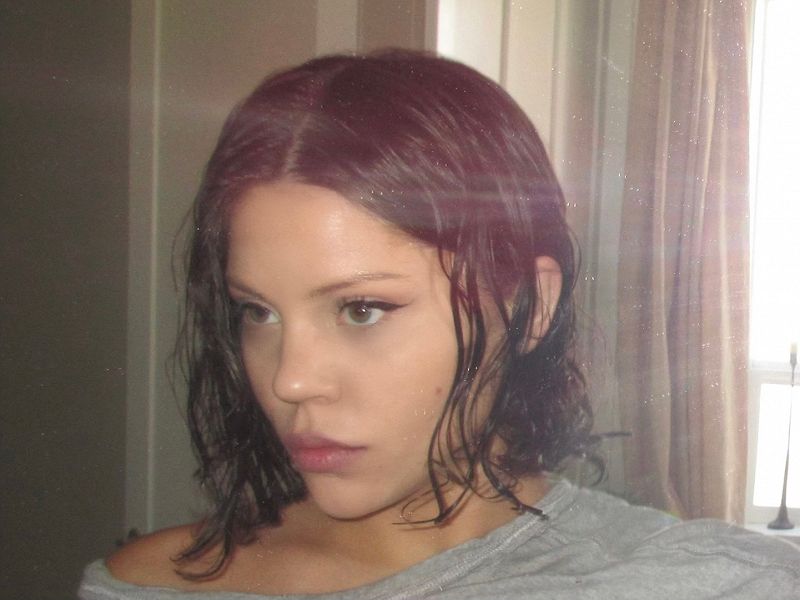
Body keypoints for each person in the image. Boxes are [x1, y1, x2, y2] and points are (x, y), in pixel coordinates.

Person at [79, 50, 799, 599]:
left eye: (362, 309)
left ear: (531, 305)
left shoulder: (714, 584)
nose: (290, 379)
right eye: (258, 311)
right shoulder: (149, 585)